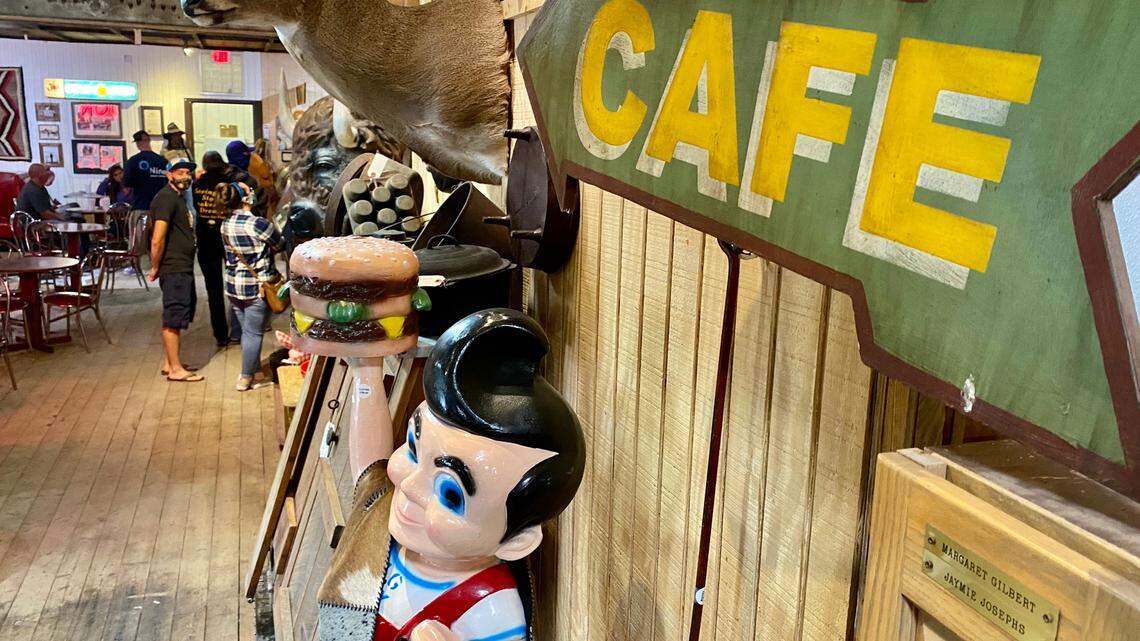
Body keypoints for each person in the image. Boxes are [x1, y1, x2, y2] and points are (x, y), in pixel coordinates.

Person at [316, 309, 586, 641]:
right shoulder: (384, 529)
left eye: (450, 493)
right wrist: (367, 375)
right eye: (414, 449)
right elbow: (370, 472)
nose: (411, 485)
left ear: (517, 542)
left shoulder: (490, 610)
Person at [219, 181, 284, 391]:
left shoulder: (225, 223)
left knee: (247, 331)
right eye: (249, 191)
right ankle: (245, 377)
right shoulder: (257, 223)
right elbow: (279, 244)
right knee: (253, 333)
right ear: (246, 198)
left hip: (233, 286)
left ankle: (255, 370)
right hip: (257, 287)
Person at [148, 158, 204, 383]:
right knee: (174, 314)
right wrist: (154, 266)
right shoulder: (166, 199)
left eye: (187, 173)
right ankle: (175, 370)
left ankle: (170, 362)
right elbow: (157, 238)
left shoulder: (177, 197)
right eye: (179, 172)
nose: (185, 177)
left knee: (181, 312)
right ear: (169, 175)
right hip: (174, 266)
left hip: (182, 264)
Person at [192, 152, 245, 347]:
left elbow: (196, 209)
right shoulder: (228, 182)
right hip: (227, 236)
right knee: (236, 283)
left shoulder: (197, 185)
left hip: (206, 238)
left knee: (213, 288)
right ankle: (238, 331)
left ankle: (221, 334)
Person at [123, 130, 169, 217]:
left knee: (141, 231)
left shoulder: (133, 161)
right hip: (161, 208)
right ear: (149, 140)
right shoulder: (163, 161)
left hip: (141, 207)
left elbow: (127, 188)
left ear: (137, 143)